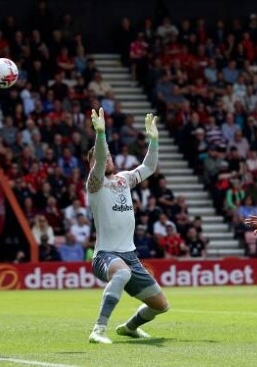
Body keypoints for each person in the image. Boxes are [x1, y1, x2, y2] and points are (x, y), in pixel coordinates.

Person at [86, 107, 169, 344]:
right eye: (102, 158)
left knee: (161, 306)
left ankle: (129, 328)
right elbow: (100, 159)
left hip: (130, 255)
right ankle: (98, 330)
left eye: (110, 156)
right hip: (105, 255)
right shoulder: (94, 185)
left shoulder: (123, 179)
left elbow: (148, 168)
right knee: (121, 272)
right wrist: (100, 135)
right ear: (92, 165)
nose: (107, 158)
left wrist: (153, 141)